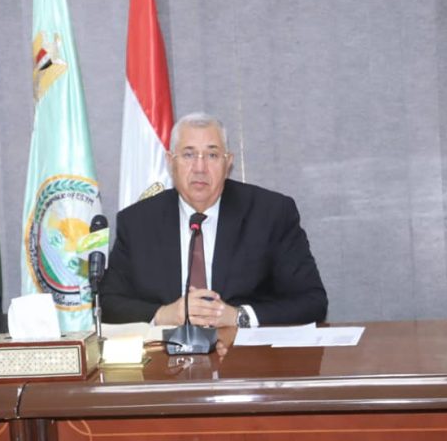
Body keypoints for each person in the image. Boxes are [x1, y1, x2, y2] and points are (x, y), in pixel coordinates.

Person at [101, 113, 327, 328]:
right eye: (188, 155)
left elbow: (312, 301)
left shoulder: (271, 214)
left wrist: (238, 316)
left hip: (244, 352)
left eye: (212, 155)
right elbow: (108, 303)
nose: (200, 168)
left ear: (228, 162)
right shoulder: (138, 222)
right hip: (166, 351)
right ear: (171, 162)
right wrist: (164, 314)